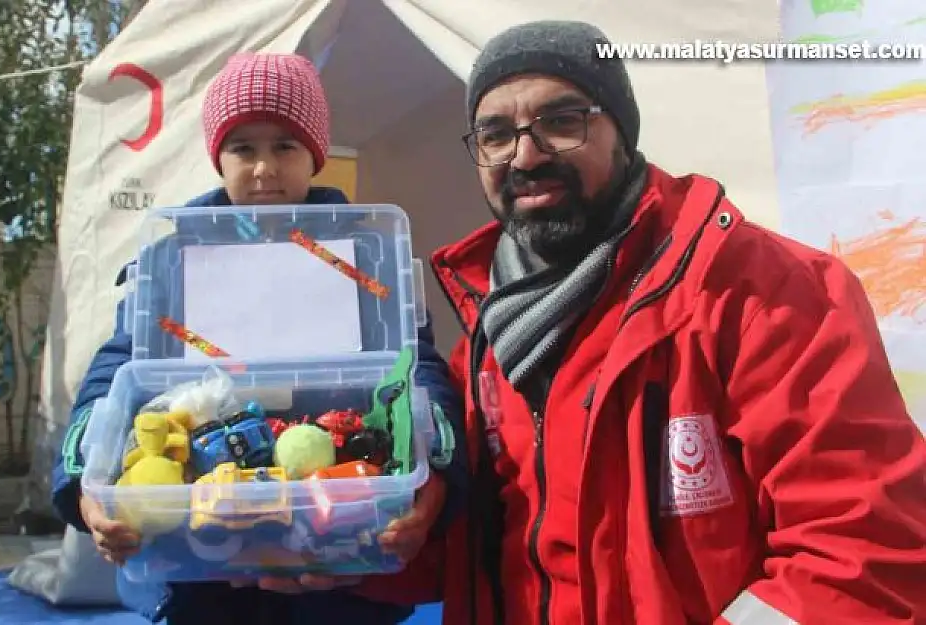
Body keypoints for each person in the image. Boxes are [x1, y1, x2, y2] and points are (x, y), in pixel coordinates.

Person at [381, 19, 926, 625]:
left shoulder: (763, 294)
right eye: (496, 135)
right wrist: (359, 545)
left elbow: (861, 555)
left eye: (562, 122)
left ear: (623, 133)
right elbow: (471, 556)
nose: (526, 156)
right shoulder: (486, 335)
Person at [50, 52, 466, 625]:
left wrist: (435, 476)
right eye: (243, 148)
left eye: (285, 146)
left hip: (342, 543)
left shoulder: (368, 256)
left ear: (315, 154)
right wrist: (82, 483)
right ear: (217, 158)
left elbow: (415, 367)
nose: (265, 168)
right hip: (203, 554)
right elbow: (119, 369)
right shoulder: (171, 260)